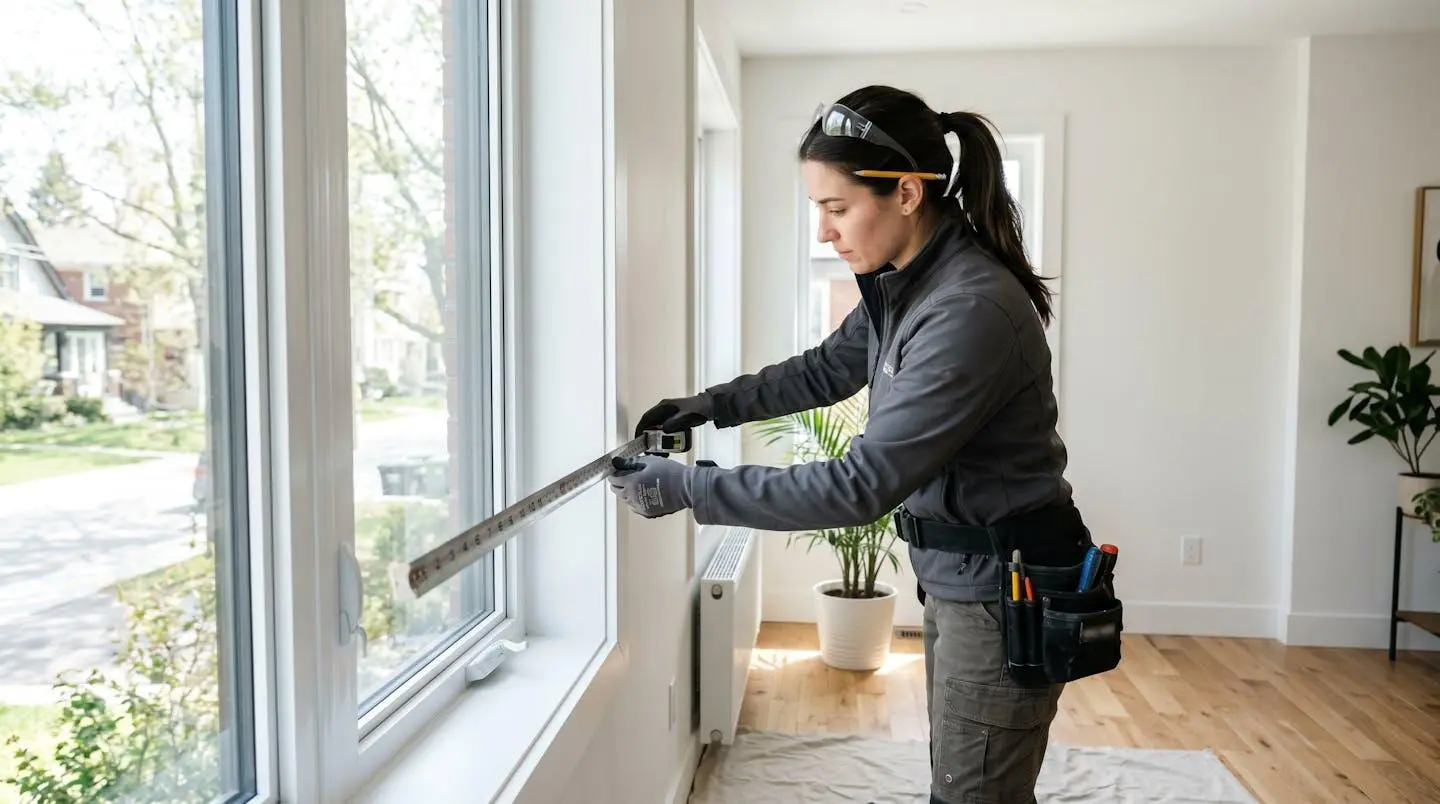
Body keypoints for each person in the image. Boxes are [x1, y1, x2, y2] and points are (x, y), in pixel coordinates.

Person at [609, 84, 1092, 804]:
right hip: (966, 579)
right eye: (818, 209)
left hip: (1003, 590)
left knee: (973, 794)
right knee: (965, 781)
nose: (824, 233)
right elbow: (827, 369)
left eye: (837, 208)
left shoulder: (967, 309)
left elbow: (859, 486)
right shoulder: (908, 283)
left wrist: (689, 489)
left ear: (906, 193)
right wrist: (712, 405)